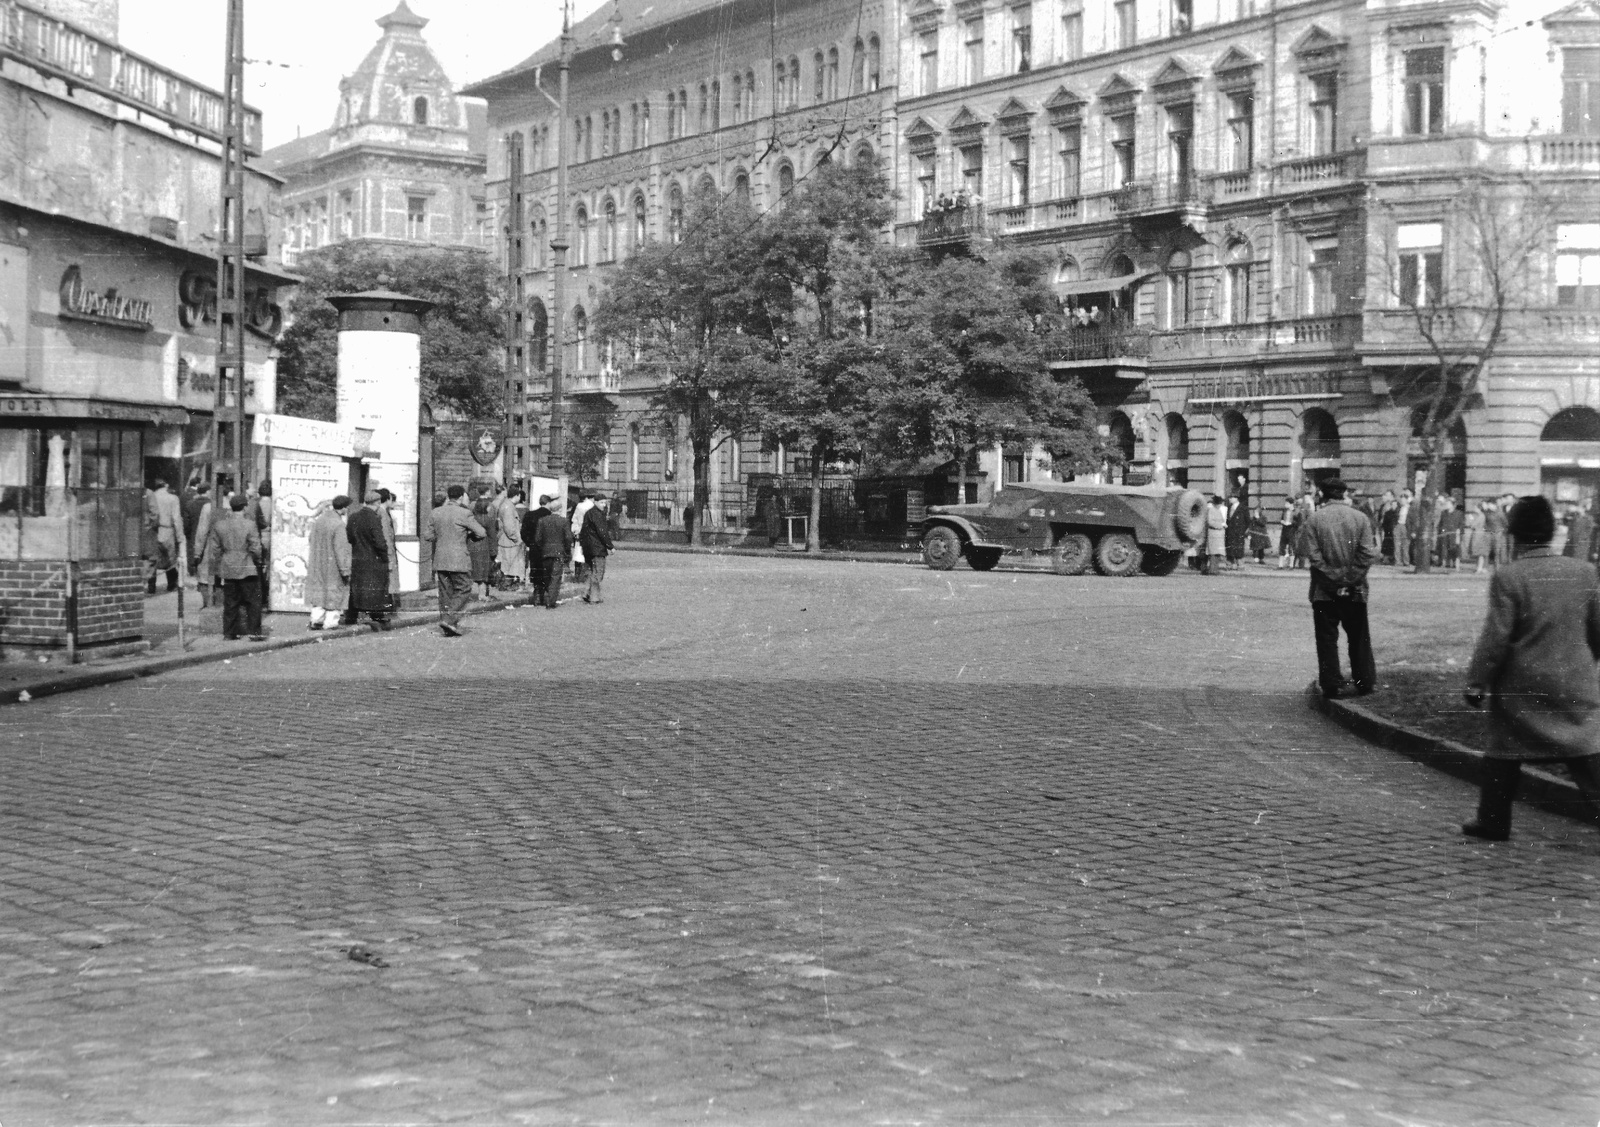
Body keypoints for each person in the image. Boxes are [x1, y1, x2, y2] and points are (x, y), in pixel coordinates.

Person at [1461, 495, 1600, 841]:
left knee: (1503, 750)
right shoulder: (1584, 572)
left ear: (1514, 534)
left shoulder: (1509, 576)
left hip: (1522, 686)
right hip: (1575, 681)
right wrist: (1586, 663)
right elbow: (1598, 629)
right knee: (1586, 754)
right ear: (1552, 532)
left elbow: (1496, 639)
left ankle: (1492, 820)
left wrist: (1477, 682)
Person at [1301, 478, 1377, 699]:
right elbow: (1366, 555)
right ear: (1344, 495)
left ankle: (1332, 683)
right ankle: (1365, 681)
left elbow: (1314, 558)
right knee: (1359, 637)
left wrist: (1333, 581)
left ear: (1323, 495)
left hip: (1324, 591)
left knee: (1326, 638)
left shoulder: (1314, 520)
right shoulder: (1361, 518)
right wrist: (1349, 580)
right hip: (1356, 590)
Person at [424, 484, 487, 637]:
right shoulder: (464, 513)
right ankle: (449, 619)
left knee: (445, 592)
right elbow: (482, 532)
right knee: (464, 587)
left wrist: (443, 537)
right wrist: (468, 535)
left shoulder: (436, 512)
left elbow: (428, 536)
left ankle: (448, 624)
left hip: (441, 559)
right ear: (460, 497)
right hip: (458, 559)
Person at [204, 494, 264, 641]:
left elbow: (215, 549)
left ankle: (229, 633)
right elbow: (256, 548)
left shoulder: (220, 525)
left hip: (228, 566)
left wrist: (220, 564)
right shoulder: (250, 524)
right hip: (246, 566)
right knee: (253, 602)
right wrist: (259, 561)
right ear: (244, 507)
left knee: (230, 602)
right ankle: (254, 633)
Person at [346, 490, 392, 630]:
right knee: (376, 589)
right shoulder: (374, 518)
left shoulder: (353, 516)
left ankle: (351, 615)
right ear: (377, 503)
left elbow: (349, 537)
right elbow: (380, 542)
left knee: (357, 587)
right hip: (374, 560)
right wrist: (385, 557)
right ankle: (377, 615)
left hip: (358, 558)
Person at [305, 495, 352, 630]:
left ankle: (316, 619)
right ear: (343, 508)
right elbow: (341, 550)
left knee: (319, 592)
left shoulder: (319, 521)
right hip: (333, 566)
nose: (347, 509)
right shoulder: (339, 525)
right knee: (334, 594)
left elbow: (311, 540)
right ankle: (331, 623)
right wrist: (345, 570)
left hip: (318, 563)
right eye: (347, 507)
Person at [531, 492, 573, 608]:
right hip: (559, 552)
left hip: (545, 552)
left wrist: (543, 547)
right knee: (555, 577)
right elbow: (568, 538)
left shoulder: (542, 521)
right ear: (559, 509)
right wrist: (567, 551)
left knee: (547, 576)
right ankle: (551, 600)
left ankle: (545, 597)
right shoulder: (564, 521)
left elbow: (538, 538)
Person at [145, 480, 186, 594]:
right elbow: (176, 518)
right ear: (166, 486)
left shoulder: (150, 496)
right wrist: (180, 536)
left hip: (152, 530)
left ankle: (151, 587)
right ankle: (171, 585)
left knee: (152, 559)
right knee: (170, 558)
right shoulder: (173, 498)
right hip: (167, 529)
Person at [521, 494, 557, 606]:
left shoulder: (529, 515)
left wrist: (530, 543)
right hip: (548, 548)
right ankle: (546, 598)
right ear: (549, 503)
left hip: (534, 548)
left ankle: (536, 596)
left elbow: (523, 533)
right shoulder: (551, 517)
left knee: (535, 570)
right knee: (547, 572)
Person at [580, 493, 615, 604]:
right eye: (601, 502)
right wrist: (610, 546)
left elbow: (583, 531)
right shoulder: (598, 515)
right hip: (597, 547)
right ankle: (594, 597)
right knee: (598, 572)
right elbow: (602, 532)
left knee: (590, 571)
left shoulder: (588, 513)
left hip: (587, 548)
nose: (604, 505)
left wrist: (583, 545)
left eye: (605, 503)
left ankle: (586, 593)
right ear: (595, 502)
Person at [245, 480, 273, 603]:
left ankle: (261, 593)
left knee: (260, 567)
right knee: (270, 566)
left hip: (259, 536)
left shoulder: (255, 504)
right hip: (271, 536)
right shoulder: (274, 503)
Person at [468, 485, 496, 598]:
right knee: (483, 572)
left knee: (473, 569)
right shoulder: (488, 519)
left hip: (471, 545)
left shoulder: (471, 518)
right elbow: (492, 536)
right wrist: (494, 551)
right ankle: (482, 594)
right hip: (484, 546)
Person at [495, 486, 526, 586]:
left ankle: (504, 584)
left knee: (507, 564)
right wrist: (517, 539)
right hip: (509, 542)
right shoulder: (509, 507)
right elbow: (509, 528)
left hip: (506, 540)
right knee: (509, 566)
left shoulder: (506, 504)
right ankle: (505, 585)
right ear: (517, 495)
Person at [375, 488, 400, 597]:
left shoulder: (383, 512)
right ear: (387, 499)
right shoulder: (382, 513)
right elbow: (386, 537)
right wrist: (389, 556)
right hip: (387, 554)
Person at [570, 490, 594, 583]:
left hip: (579, 532)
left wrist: (575, 532)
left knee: (578, 554)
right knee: (587, 555)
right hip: (589, 534)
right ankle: (585, 577)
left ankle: (577, 576)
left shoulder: (579, 506)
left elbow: (574, 520)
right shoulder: (592, 506)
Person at [1563, 499, 1595, 566]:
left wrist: (1580, 539)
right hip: (1572, 542)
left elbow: (1588, 532)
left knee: (1580, 562)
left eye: (1581, 508)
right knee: (1568, 561)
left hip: (1581, 544)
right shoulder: (1575, 517)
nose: (1579, 509)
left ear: (1584, 509)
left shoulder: (1589, 518)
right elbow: (1567, 523)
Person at [1203, 495, 1227, 575]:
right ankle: (1212, 570)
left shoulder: (1218, 510)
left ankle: (1215, 569)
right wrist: (1221, 525)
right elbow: (1210, 522)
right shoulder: (1211, 510)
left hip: (1218, 535)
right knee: (1213, 554)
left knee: (1217, 553)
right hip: (1213, 534)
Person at [1224, 494, 1247, 570]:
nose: (1230, 499)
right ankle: (1229, 565)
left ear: (1236, 498)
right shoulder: (1229, 507)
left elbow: (1247, 521)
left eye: (1231, 498)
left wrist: (1242, 530)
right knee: (1230, 549)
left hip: (1239, 533)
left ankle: (1240, 565)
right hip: (1230, 532)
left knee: (1238, 549)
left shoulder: (1243, 508)